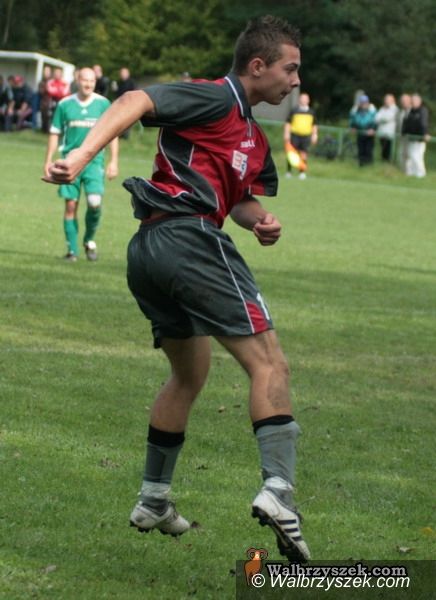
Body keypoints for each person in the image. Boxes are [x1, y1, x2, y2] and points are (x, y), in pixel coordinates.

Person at [44, 16, 310, 561]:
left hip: (150, 251)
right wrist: (82, 155)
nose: (296, 81)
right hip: (188, 239)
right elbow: (135, 99)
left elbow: (239, 199)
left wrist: (260, 221)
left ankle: (153, 498)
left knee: (190, 373)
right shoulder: (214, 97)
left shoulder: (253, 136)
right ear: (257, 65)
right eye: (290, 69)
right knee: (270, 365)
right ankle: (279, 492)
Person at [43, 67, 119, 261]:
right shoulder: (65, 104)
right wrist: (49, 160)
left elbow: (113, 133)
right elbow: (54, 133)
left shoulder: (103, 104)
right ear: (77, 80)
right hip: (69, 162)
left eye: (92, 81)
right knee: (70, 206)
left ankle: (89, 240)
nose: (88, 84)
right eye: (85, 80)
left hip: (94, 162)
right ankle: (72, 251)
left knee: (94, 203)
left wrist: (114, 161)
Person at [283, 92, 317, 179]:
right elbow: (288, 123)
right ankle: (289, 172)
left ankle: (302, 172)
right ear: (299, 100)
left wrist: (314, 135)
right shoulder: (294, 110)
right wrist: (286, 133)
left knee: (304, 154)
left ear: (308, 100)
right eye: (302, 98)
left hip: (306, 136)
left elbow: (314, 125)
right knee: (291, 153)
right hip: (295, 135)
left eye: (305, 99)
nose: (304, 100)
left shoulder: (311, 112)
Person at [402, 93, 430, 178]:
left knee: (417, 156)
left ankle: (421, 173)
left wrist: (425, 133)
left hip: (420, 138)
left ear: (419, 101)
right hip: (411, 138)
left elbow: (423, 123)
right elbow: (407, 123)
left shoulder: (423, 111)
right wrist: (404, 132)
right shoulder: (411, 111)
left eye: (415, 100)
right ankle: (412, 173)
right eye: (412, 101)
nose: (413, 102)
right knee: (411, 155)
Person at [349, 94, 377, 166]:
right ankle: (361, 165)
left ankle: (369, 165)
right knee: (360, 150)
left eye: (365, 102)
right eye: (362, 102)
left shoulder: (372, 110)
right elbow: (352, 120)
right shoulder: (356, 110)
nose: (363, 104)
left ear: (368, 103)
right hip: (360, 133)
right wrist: (353, 127)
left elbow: (376, 121)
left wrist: (373, 129)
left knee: (368, 150)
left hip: (369, 134)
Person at [113, 67, 136, 139]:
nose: (122, 75)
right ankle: (120, 134)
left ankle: (126, 136)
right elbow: (117, 94)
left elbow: (134, 93)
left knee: (127, 120)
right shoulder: (119, 82)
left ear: (128, 74)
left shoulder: (131, 82)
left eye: (124, 73)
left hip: (129, 104)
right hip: (120, 104)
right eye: (121, 73)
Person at [375, 94, 398, 161]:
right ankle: (383, 162)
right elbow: (376, 119)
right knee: (383, 149)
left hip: (390, 133)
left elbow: (388, 118)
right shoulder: (382, 108)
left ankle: (388, 162)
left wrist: (381, 119)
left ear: (392, 100)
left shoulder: (395, 109)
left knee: (389, 149)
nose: (386, 101)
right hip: (382, 132)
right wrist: (382, 119)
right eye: (386, 99)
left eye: (388, 100)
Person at [396, 93, 412, 172]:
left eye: (405, 101)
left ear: (409, 101)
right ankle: (402, 171)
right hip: (402, 137)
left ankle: (409, 172)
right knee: (401, 154)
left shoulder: (413, 111)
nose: (404, 102)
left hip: (410, 137)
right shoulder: (401, 112)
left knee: (409, 155)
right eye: (402, 101)